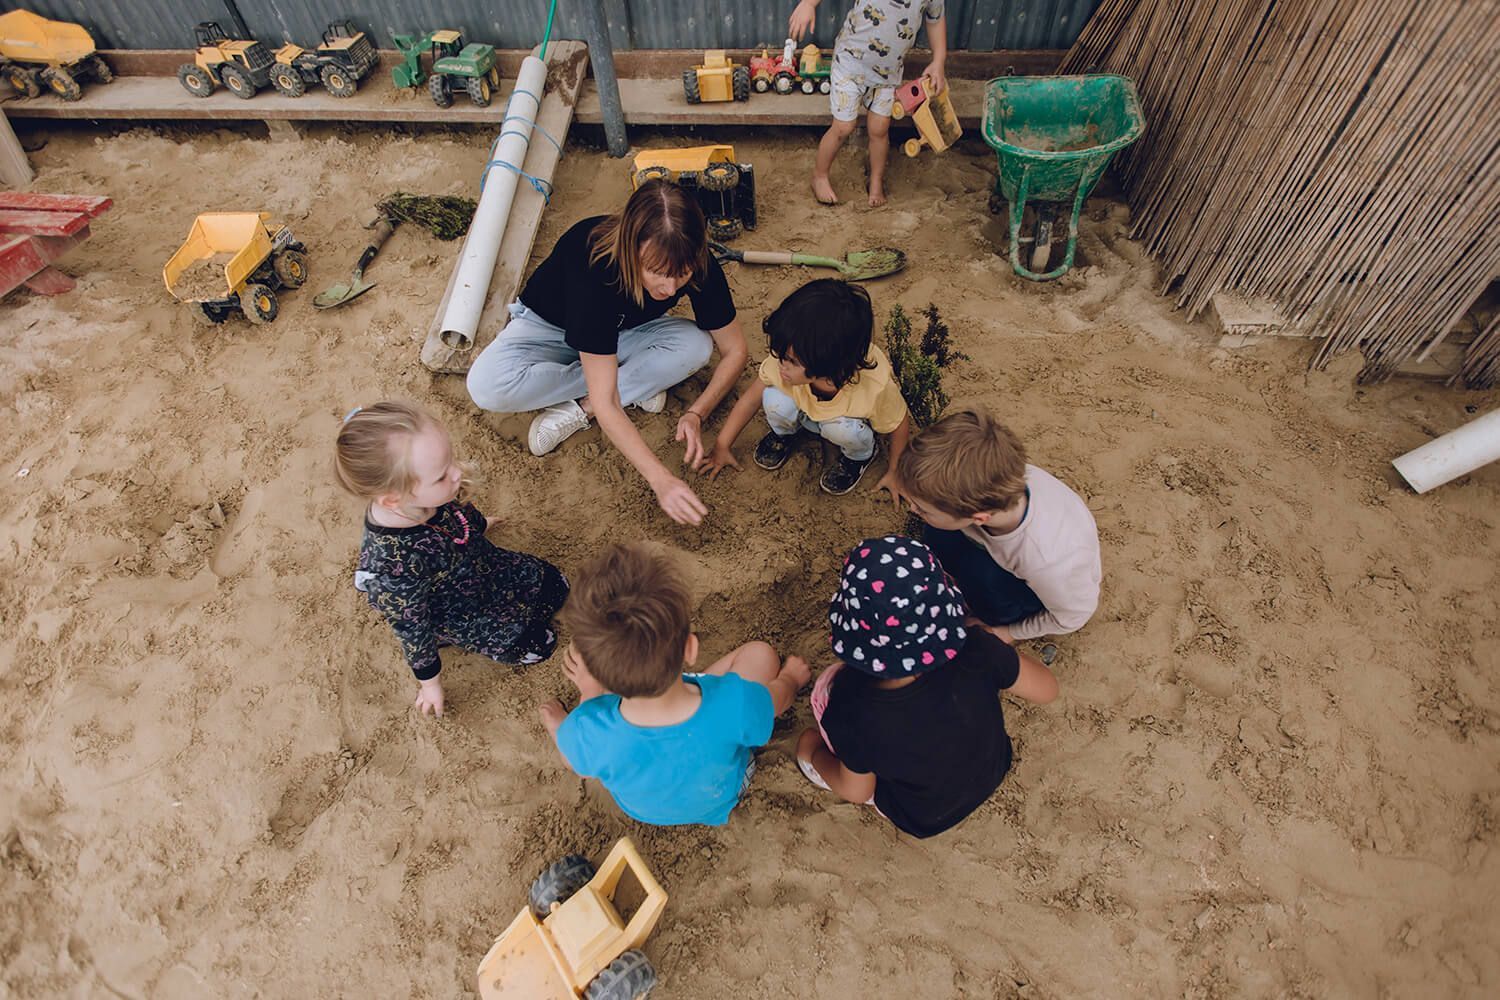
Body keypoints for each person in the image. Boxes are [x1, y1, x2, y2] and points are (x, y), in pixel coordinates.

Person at [466, 180, 749, 526]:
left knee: (696, 346)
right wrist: (661, 480)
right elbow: (608, 403)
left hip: (619, 332)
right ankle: (631, 385)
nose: (671, 288)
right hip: (548, 329)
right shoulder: (594, 267)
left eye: (682, 274)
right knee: (486, 386)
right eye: (658, 273)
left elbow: (735, 351)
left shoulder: (698, 263)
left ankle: (582, 405)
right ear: (631, 248)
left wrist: (697, 414)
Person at [795, 535, 1058, 838]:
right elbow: (1047, 689)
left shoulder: (852, 709)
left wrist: (812, 752)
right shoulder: (977, 649)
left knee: (825, 690)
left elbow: (856, 790)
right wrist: (993, 654)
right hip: (992, 768)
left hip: (920, 814)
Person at [539, 543, 810, 826]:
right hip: (723, 793)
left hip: (644, 811)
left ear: (597, 676)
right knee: (761, 654)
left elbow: (576, 765)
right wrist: (790, 678)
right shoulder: (736, 703)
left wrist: (586, 697)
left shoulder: (589, 729)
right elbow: (778, 700)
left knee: (581, 741)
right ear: (690, 649)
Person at [335, 401, 568, 718]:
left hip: (482, 565)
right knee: (539, 646)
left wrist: (479, 525)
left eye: (450, 461)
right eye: (442, 475)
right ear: (394, 499)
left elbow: (460, 513)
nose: (456, 473)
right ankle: (451, 640)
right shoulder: (391, 567)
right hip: (457, 610)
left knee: (557, 585)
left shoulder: (433, 492)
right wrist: (430, 685)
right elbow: (412, 630)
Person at [896, 407, 1101, 644]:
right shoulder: (989, 477)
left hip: (1026, 588)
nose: (912, 509)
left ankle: (988, 612)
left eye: (922, 508)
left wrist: (1008, 633)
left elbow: (1073, 616)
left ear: (979, 517)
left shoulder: (1046, 561)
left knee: (983, 577)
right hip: (988, 541)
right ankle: (949, 571)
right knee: (938, 533)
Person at [697, 278, 912, 496]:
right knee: (773, 400)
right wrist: (722, 445)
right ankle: (785, 433)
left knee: (843, 431)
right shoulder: (789, 358)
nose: (781, 363)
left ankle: (859, 456)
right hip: (806, 410)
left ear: (828, 366)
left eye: (791, 360)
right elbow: (750, 399)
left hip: (845, 421)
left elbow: (898, 423)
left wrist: (896, 472)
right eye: (780, 354)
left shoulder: (873, 388)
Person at [789, 0, 949, 206]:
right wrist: (808, 4)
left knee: (880, 129)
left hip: (887, 74)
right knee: (843, 127)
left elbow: (935, 20)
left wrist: (939, 61)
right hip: (850, 63)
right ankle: (819, 176)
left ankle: (875, 182)